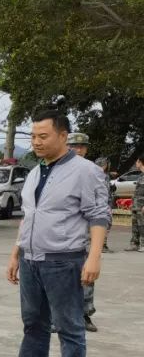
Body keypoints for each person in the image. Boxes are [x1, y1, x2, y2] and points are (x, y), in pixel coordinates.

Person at [0, 110, 110, 357]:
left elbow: (99, 215)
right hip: (31, 259)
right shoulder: (35, 172)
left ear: (63, 136)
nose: (36, 142)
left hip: (64, 261)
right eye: (33, 136)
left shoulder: (86, 171)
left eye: (43, 136)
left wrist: (94, 258)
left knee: (69, 326)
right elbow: (28, 217)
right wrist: (15, 254)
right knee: (33, 321)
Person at [67, 133, 101, 330]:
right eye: (73, 146)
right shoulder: (58, 170)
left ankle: (85, 314)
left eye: (82, 147)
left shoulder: (94, 171)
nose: (78, 150)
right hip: (63, 232)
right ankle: (58, 315)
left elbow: (101, 203)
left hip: (86, 231)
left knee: (86, 274)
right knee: (61, 275)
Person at [126, 157, 144, 252]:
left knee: (142, 225)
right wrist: (132, 203)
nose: (136, 164)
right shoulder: (141, 175)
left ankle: (143, 244)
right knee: (135, 225)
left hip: (142, 205)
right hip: (136, 205)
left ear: (140, 162)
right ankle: (134, 244)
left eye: (136, 162)